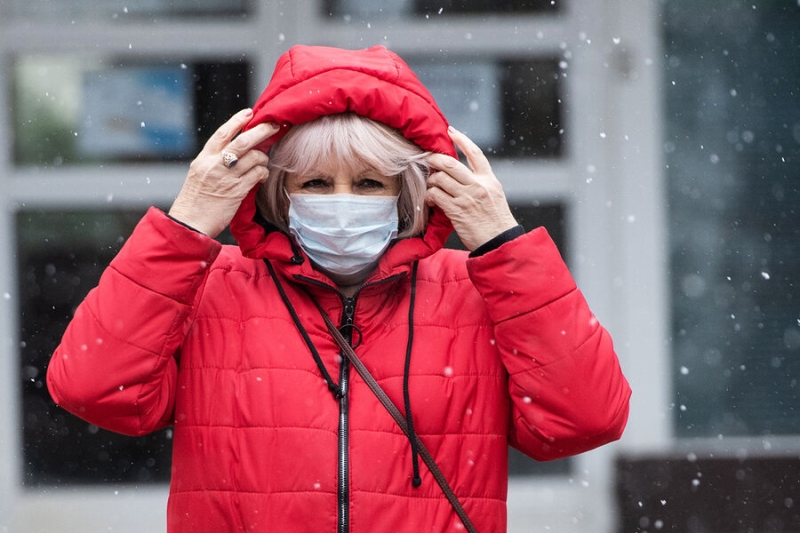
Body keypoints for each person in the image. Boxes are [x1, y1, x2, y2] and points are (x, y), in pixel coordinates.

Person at [47, 45, 631, 533]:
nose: (342, 202)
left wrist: (504, 245)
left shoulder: (476, 290)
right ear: (275, 193)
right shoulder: (209, 283)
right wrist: (185, 228)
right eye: (316, 183)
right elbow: (93, 388)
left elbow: (586, 418)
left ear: (410, 193)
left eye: (370, 183)